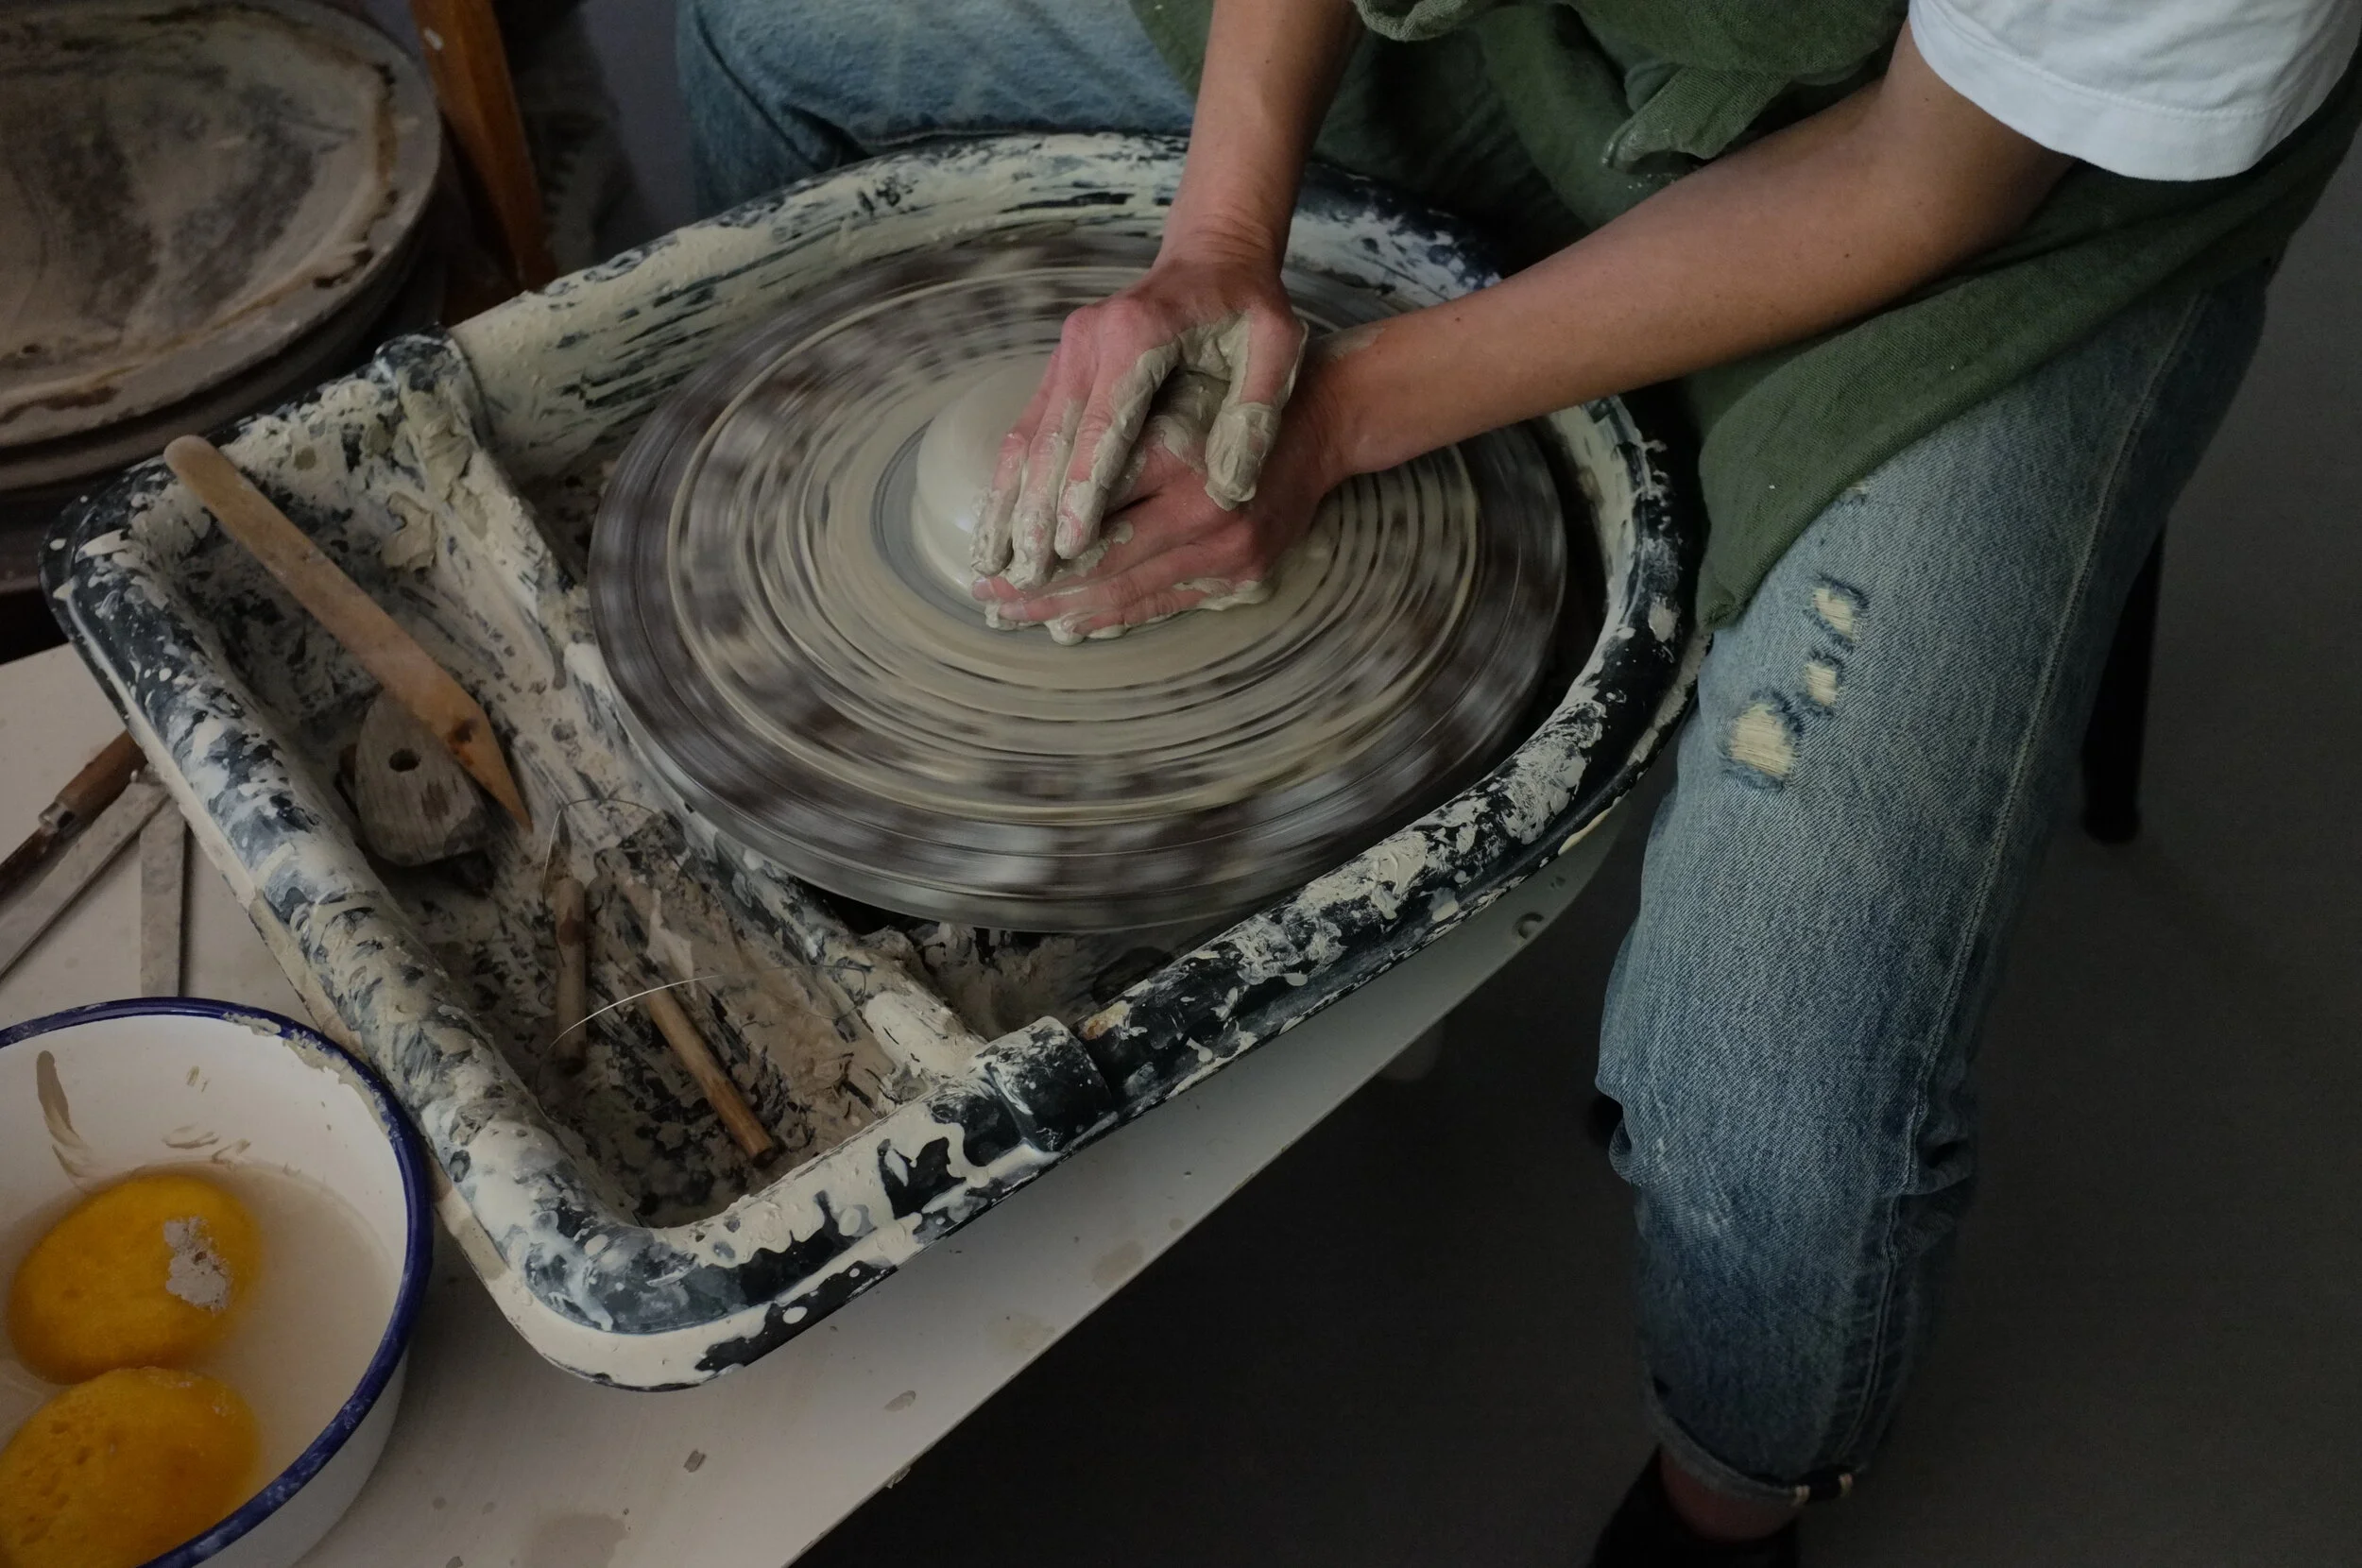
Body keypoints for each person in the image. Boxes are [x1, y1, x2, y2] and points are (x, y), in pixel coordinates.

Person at [677, 1, 2361, 1560]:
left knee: (1771, 1102)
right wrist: (1216, 240)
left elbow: (1925, 176)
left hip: (2000, 210)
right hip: (1574, 37)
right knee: (776, 37)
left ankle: (1729, 1503)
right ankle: (900, 813)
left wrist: (1338, 423)